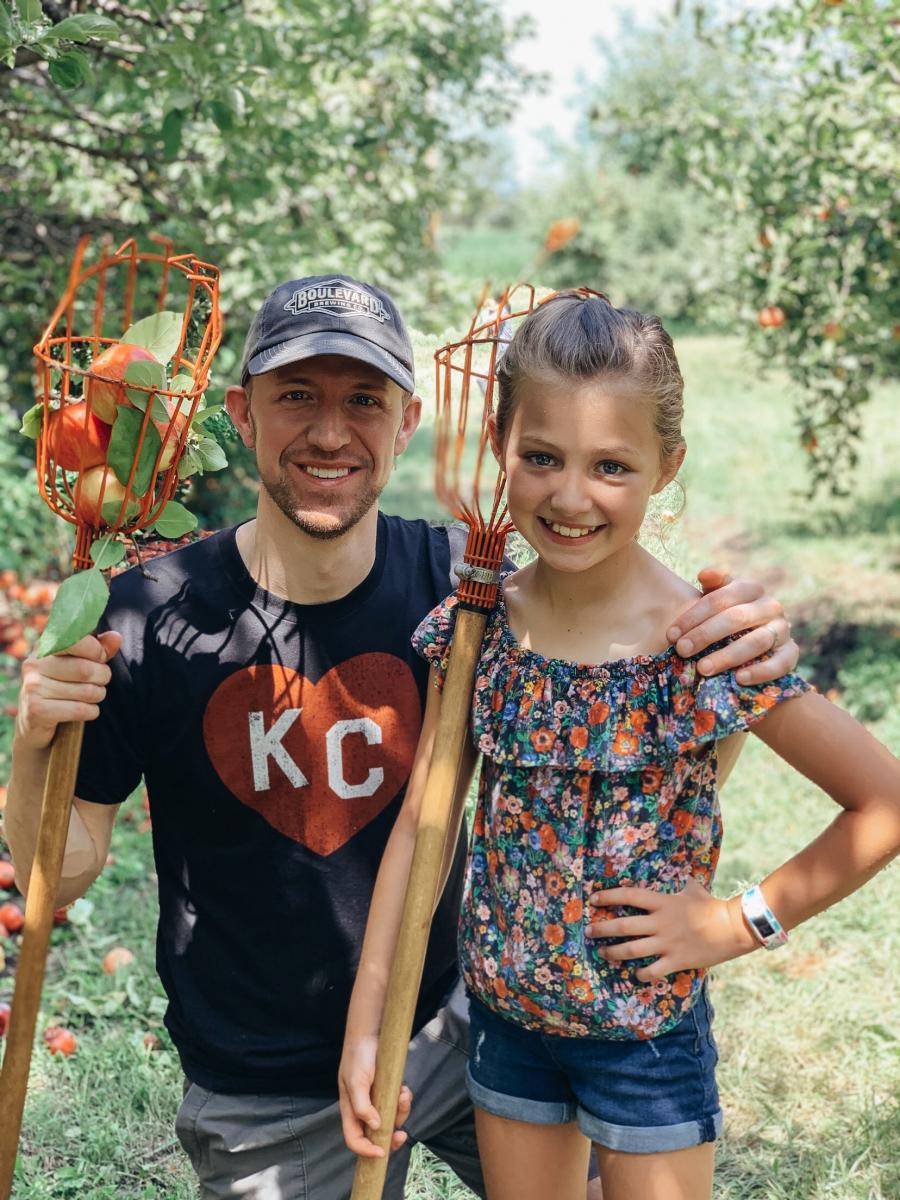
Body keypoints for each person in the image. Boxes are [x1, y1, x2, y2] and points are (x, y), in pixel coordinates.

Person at [6, 276, 800, 1200]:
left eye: (364, 400)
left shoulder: (468, 593)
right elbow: (57, 874)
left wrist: (733, 633)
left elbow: (631, 631)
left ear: (409, 418)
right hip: (268, 1082)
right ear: (242, 412)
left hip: (478, 1017)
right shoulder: (148, 621)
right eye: (297, 395)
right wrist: (32, 743)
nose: (331, 432)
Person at [338, 291, 900, 1200]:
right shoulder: (477, 632)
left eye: (611, 466)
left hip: (644, 1033)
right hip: (508, 1020)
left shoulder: (705, 643)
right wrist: (371, 1026)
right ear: (499, 445)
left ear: (665, 466)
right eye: (542, 458)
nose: (570, 496)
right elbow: (425, 830)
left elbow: (885, 803)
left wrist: (733, 922)